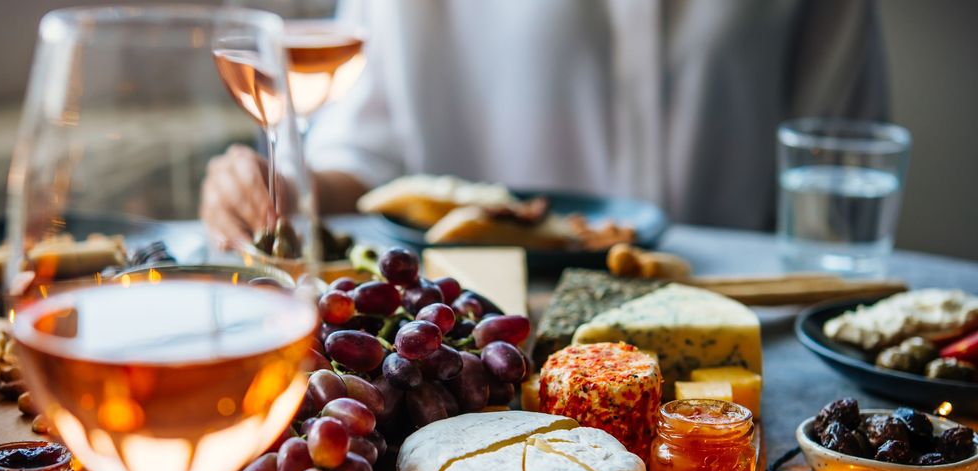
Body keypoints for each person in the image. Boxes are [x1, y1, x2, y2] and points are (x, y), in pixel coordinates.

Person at [201, 0, 887, 246]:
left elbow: (839, 178)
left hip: (733, 337)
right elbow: (368, 160)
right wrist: (279, 185)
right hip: (491, 335)